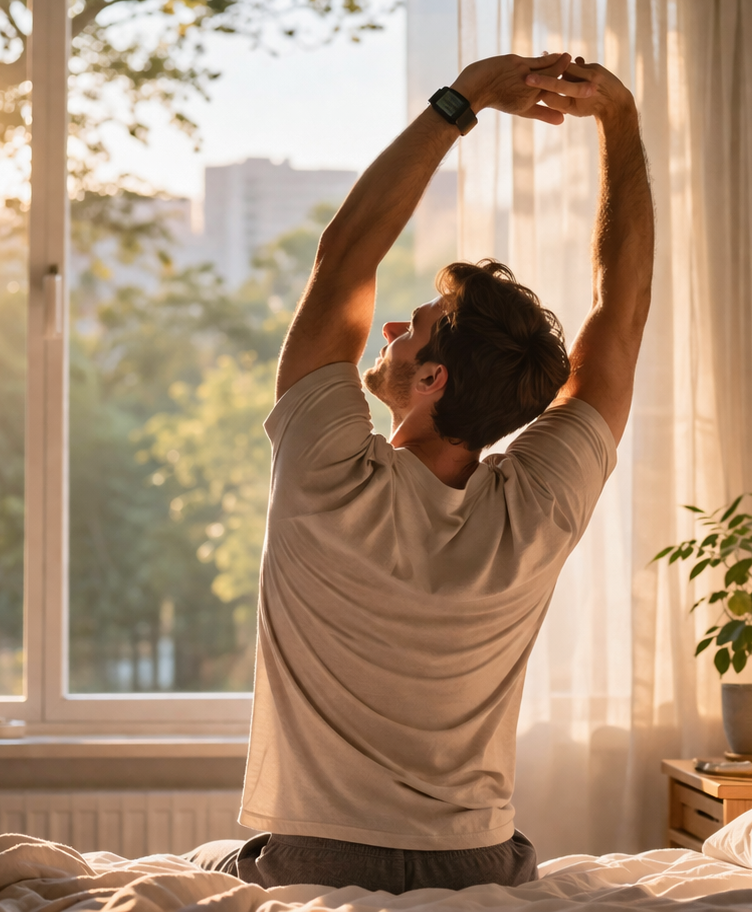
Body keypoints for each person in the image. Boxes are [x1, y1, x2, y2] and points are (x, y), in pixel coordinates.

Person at [185, 50, 654, 894]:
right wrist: (618, 119)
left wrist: (464, 96)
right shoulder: (537, 507)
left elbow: (343, 256)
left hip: (318, 858)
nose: (392, 323)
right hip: (478, 867)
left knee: (196, 869)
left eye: (417, 326)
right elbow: (619, 322)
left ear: (431, 381)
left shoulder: (325, 470)